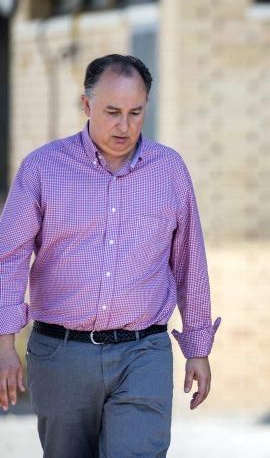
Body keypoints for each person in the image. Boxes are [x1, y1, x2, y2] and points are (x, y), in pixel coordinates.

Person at [0, 54, 220, 457]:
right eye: (112, 112)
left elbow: (190, 262)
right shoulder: (43, 168)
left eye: (135, 113)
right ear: (86, 106)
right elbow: (8, 258)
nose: (124, 126)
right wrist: (3, 345)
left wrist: (198, 348)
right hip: (60, 354)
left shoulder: (169, 170)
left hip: (143, 353)